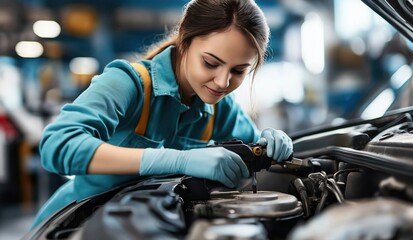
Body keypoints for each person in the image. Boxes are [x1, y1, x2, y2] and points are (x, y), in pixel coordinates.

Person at [31, 0, 293, 228]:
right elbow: (58, 145)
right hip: (78, 222)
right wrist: (178, 160)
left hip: (152, 223)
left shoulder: (219, 108)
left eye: (238, 71)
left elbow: (252, 145)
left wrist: (268, 142)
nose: (223, 82)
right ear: (184, 42)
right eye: (210, 63)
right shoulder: (129, 84)